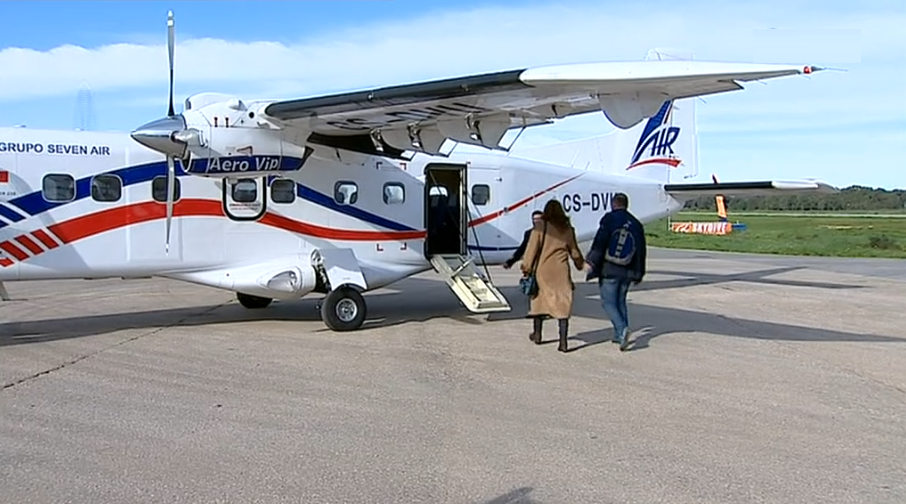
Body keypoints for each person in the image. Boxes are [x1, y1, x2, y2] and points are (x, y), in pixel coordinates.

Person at [520, 199, 585, 352]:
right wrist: (580, 264)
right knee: (563, 304)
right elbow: (574, 251)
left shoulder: (540, 227)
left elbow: (531, 250)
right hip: (561, 270)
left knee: (539, 303)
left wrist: (526, 267)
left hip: (542, 271)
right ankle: (563, 342)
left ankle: (537, 335)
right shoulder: (567, 229)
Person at [584, 192, 647, 351]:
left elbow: (600, 242)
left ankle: (621, 329)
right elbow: (641, 251)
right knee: (620, 301)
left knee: (608, 303)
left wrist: (591, 262)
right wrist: (639, 273)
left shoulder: (609, 219)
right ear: (626, 204)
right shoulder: (636, 223)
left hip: (610, 269)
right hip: (628, 270)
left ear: (613, 204)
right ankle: (620, 335)